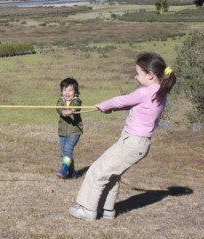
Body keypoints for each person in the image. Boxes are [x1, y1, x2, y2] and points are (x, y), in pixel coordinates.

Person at [69, 52, 176, 221]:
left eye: (138, 73)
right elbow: (133, 105)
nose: (135, 77)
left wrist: (103, 105)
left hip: (132, 142)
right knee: (112, 174)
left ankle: (87, 209)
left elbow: (122, 100)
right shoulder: (159, 92)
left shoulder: (146, 91)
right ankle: (106, 210)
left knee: (97, 171)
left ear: (150, 75)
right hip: (138, 143)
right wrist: (110, 109)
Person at [55, 78, 83, 179]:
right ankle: (72, 173)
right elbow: (58, 108)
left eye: (70, 90)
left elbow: (76, 106)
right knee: (64, 153)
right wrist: (62, 111)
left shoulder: (77, 100)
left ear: (75, 92)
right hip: (62, 131)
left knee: (67, 150)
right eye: (64, 90)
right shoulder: (60, 100)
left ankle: (63, 170)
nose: (67, 93)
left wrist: (71, 110)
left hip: (74, 130)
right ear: (61, 92)